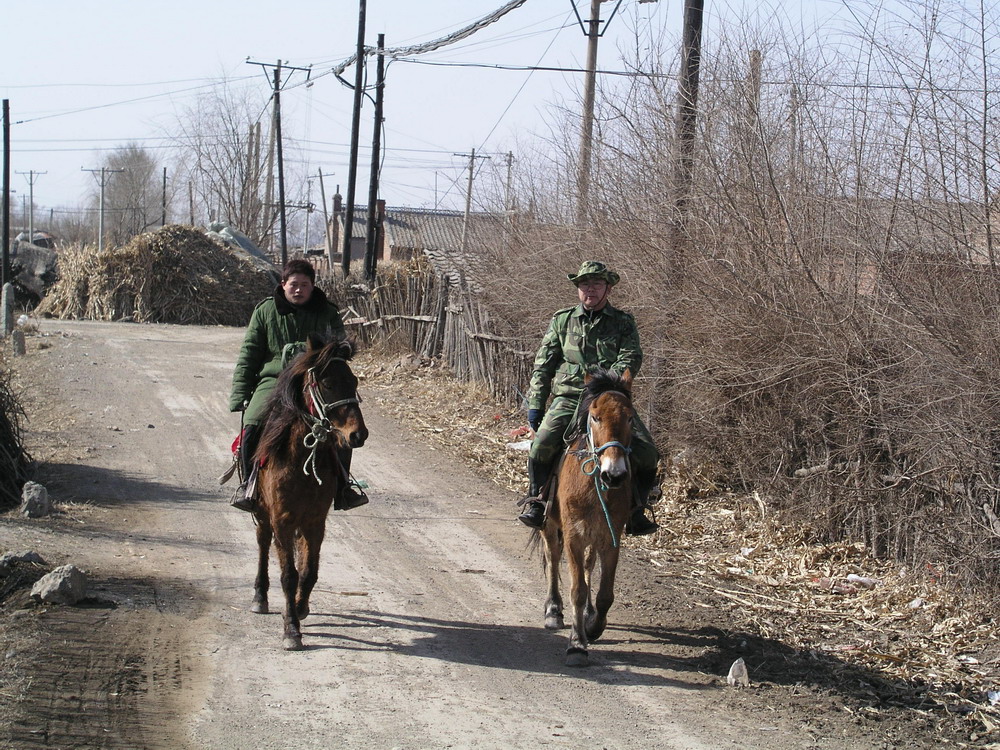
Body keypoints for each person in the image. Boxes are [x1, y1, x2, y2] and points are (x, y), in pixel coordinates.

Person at [517, 260, 659, 535]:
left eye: (596, 284)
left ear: (608, 288)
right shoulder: (562, 320)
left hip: (610, 400)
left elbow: (631, 356)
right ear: (578, 289)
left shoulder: (623, 323)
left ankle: (638, 510)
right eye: (584, 284)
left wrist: (607, 384)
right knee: (541, 446)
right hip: (569, 398)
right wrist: (536, 405)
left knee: (647, 452)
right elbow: (544, 364)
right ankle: (537, 502)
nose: (590, 289)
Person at [228, 258, 367, 512]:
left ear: (313, 286)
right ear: (283, 285)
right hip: (273, 380)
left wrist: (323, 354)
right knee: (252, 426)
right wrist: (240, 394)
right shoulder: (265, 311)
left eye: (305, 284)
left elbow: (341, 348)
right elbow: (249, 353)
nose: (299, 290)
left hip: (315, 380)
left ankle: (343, 488)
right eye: (294, 284)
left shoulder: (327, 312)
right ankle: (249, 486)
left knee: (342, 430)